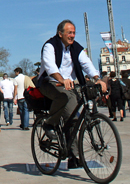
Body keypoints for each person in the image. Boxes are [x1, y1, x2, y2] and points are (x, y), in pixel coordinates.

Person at [36, 20, 106, 169]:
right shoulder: (50, 46)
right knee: (63, 96)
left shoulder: (76, 48)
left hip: (69, 85)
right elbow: (50, 66)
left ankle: (74, 157)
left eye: (74, 33)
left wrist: (97, 79)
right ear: (60, 33)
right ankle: (49, 123)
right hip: (50, 82)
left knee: (74, 118)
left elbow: (86, 63)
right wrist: (61, 79)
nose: (72, 36)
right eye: (69, 33)